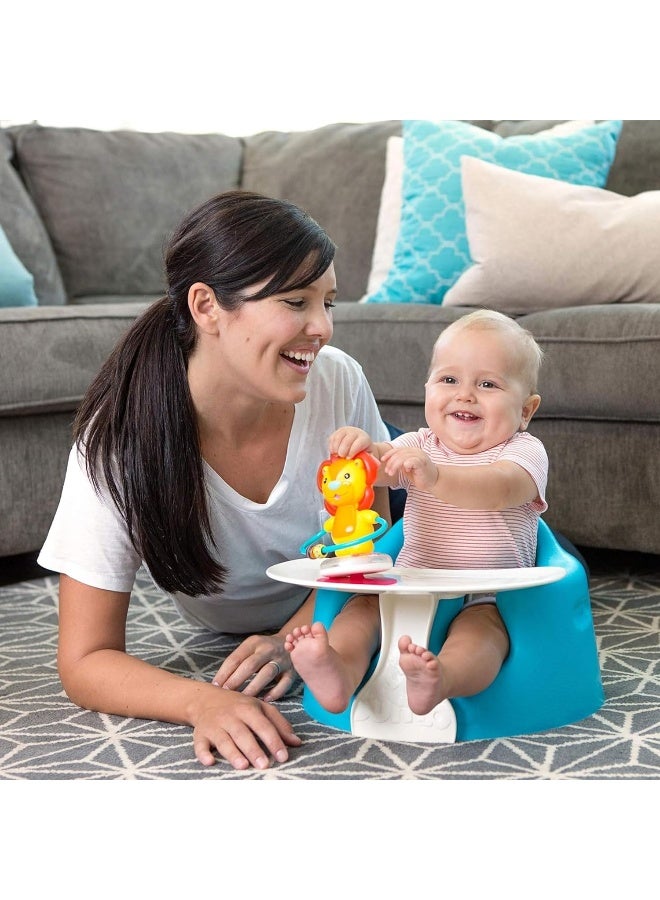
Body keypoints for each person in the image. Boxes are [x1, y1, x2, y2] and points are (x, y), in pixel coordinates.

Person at [38, 190, 391, 770]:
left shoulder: (337, 381)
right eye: (296, 301)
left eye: (329, 302)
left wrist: (297, 633)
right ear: (206, 307)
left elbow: (377, 546)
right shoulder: (119, 439)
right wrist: (202, 701)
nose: (323, 327)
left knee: (472, 504)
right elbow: (85, 658)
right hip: (222, 613)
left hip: (327, 582)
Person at [285, 309, 547, 718]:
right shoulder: (419, 444)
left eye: (488, 384)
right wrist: (363, 449)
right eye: (449, 380)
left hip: (486, 592)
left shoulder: (523, 451)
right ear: (427, 388)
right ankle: (337, 670)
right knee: (361, 609)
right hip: (410, 580)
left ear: (526, 410)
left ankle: (442, 679)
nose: (465, 395)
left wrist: (436, 476)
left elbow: (498, 490)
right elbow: (382, 464)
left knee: (484, 636)